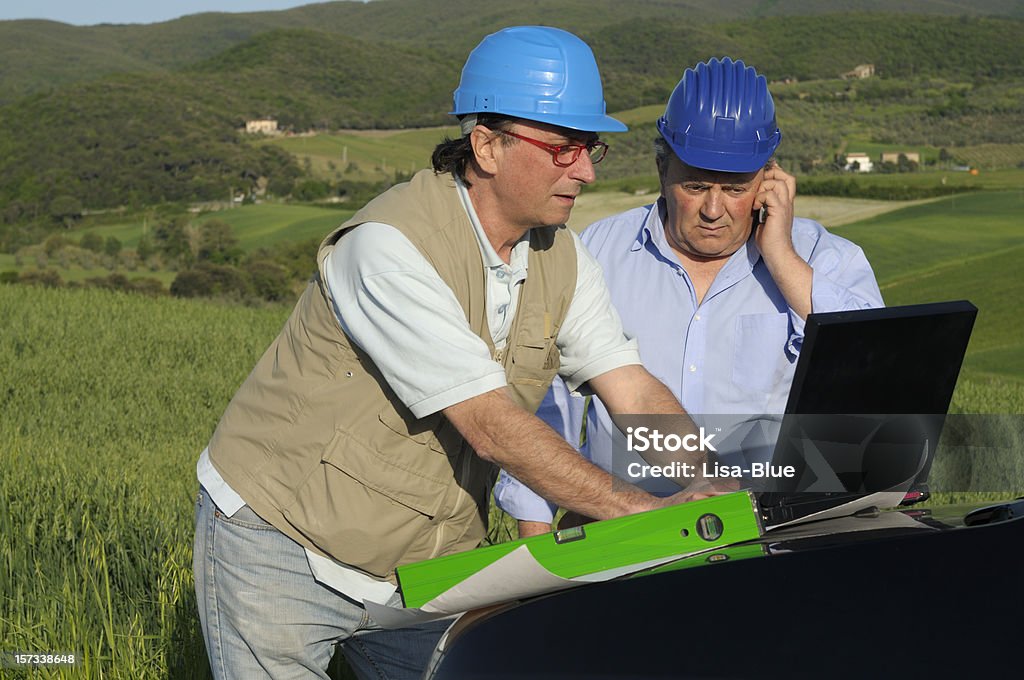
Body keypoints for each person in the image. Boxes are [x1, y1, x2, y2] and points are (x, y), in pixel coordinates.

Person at [192, 27, 723, 680]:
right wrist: (650, 519)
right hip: (282, 543)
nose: (584, 170)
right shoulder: (389, 247)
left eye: (591, 148)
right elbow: (493, 427)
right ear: (487, 146)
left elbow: (632, 390)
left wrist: (705, 484)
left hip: (424, 567)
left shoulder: (563, 258)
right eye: (562, 148)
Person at [495, 56, 885, 537]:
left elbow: (880, 375)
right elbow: (547, 402)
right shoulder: (595, 252)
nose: (714, 209)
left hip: (776, 534)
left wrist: (781, 257)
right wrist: (538, 541)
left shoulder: (826, 259)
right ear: (662, 170)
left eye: (736, 188)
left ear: (768, 180)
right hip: (627, 532)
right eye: (696, 185)